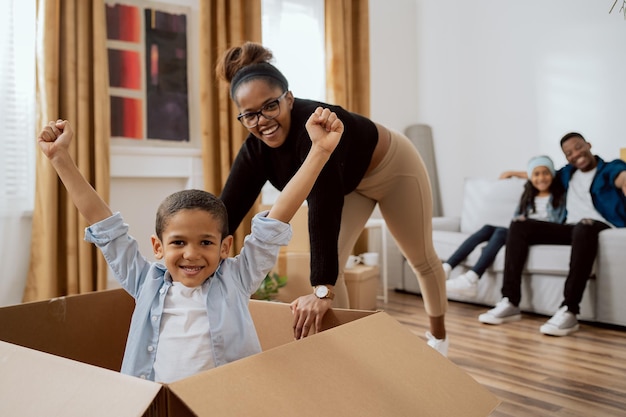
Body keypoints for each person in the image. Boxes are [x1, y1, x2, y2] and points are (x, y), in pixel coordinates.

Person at [36, 110, 342, 382]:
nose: (191, 254)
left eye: (206, 242)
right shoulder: (145, 282)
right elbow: (104, 225)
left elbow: (277, 219)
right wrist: (59, 158)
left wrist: (318, 151)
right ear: (158, 247)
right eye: (178, 243)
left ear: (225, 247)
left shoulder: (236, 280)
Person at [216, 42, 449, 355]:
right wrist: (195, 252)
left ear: (289, 98)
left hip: (393, 168)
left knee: (419, 257)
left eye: (271, 106)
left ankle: (439, 339)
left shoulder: (319, 126)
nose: (262, 121)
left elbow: (322, 205)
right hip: (349, 187)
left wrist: (322, 291)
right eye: (250, 115)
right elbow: (226, 211)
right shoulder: (255, 151)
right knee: (333, 270)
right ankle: (350, 355)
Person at [478, 132, 626, 336]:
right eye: (569, 153)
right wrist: (513, 172)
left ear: (589, 145)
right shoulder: (567, 174)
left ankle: (569, 310)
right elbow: (543, 173)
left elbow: (621, 177)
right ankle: (510, 301)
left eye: (578, 147)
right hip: (572, 228)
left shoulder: (609, 168)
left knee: (584, 226)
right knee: (519, 224)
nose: (575, 154)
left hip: (599, 227)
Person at [444, 156, 566, 297]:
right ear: (530, 177)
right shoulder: (528, 195)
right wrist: (513, 173)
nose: (541, 178)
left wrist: (517, 173)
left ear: (552, 174)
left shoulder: (560, 195)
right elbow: (515, 216)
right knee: (488, 228)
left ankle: (472, 278)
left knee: (501, 232)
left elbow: (557, 222)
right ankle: (447, 267)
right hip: (522, 231)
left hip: (543, 232)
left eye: (546, 173)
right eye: (536, 174)